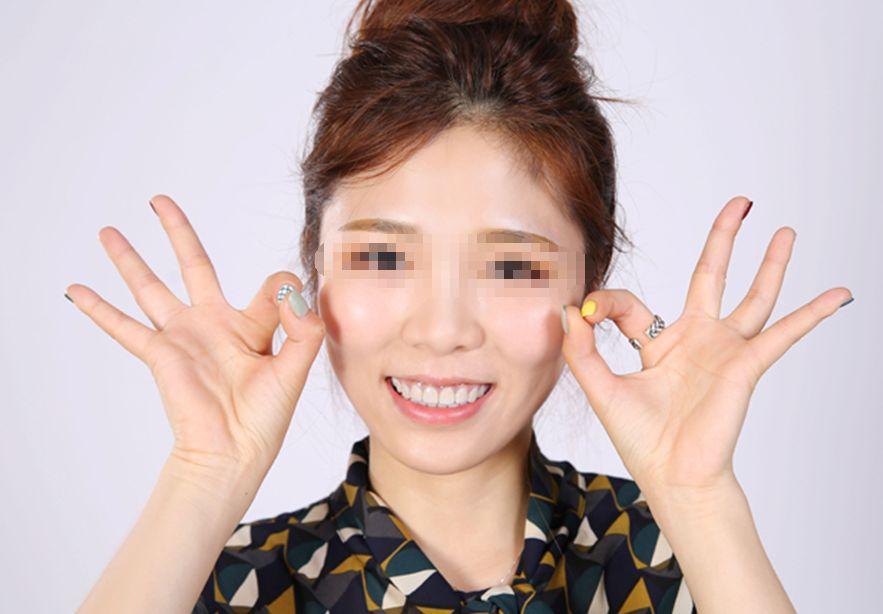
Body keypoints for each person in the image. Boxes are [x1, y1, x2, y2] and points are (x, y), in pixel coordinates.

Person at [70, 1, 853, 612]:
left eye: (509, 267)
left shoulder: (678, 562)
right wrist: (203, 476)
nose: (441, 331)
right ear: (315, 268)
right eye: (383, 258)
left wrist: (699, 500)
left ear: (589, 285)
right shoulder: (217, 584)